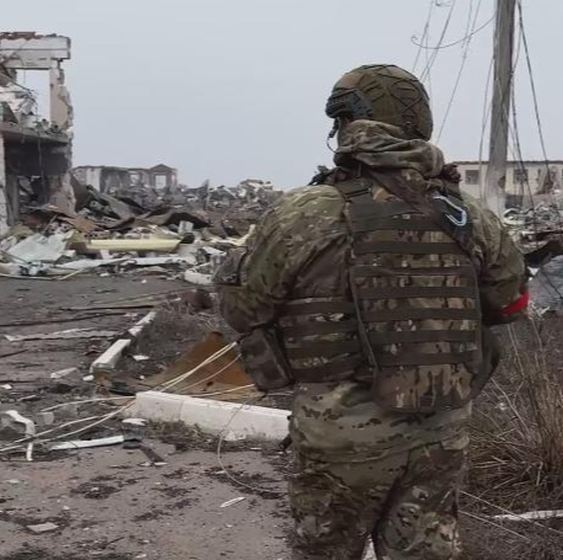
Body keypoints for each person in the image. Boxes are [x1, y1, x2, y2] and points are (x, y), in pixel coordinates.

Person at [216, 64, 528, 560]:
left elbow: (241, 306)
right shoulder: (468, 215)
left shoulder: (305, 212)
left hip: (341, 433)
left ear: (344, 123)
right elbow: (510, 302)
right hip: (440, 428)